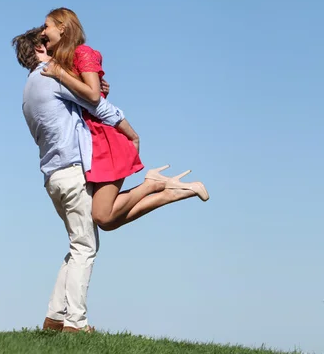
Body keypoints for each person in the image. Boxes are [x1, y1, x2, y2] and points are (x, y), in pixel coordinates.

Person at [12, 26, 207, 333]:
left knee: (78, 243)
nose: (53, 44)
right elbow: (95, 104)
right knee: (85, 248)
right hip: (73, 171)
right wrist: (129, 129)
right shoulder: (52, 76)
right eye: (46, 41)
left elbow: (86, 100)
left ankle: (54, 318)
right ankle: (75, 324)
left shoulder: (28, 90)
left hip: (52, 176)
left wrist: (97, 87)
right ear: (39, 50)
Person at [40, 8, 208, 231]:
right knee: (107, 221)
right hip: (92, 143)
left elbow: (92, 95)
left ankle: (152, 184)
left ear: (62, 27)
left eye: (47, 26)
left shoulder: (82, 53)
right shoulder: (64, 61)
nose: (43, 31)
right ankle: (167, 192)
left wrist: (60, 75)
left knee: (102, 215)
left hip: (106, 141)